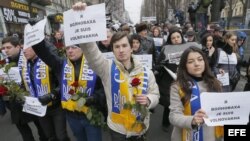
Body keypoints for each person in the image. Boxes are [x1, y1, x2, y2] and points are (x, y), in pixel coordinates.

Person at [73, 3, 159, 140]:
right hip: (118, 131)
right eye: (117, 46)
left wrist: (149, 99)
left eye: (124, 45)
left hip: (140, 129)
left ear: (132, 48)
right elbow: (91, 53)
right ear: (112, 50)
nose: (121, 50)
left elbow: (155, 94)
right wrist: (81, 18)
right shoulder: (106, 68)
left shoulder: (146, 71)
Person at [31, 40, 107, 141]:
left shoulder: (95, 64)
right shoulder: (61, 64)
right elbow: (45, 54)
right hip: (72, 115)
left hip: (91, 114)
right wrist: (36, 38)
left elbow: (104, 89)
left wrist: (94, 98)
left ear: (83, 48)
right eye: (67, 48)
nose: (70, 51)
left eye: (74, 47)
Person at [169, 46, 224, 141]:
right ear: (184, 65)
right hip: (186, 136)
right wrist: (192, 120)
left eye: (200, 59)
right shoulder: (177, 86)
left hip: (210, 135)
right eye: (190, 62)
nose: (197, 64)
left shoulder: (216, 83)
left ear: (205, 62)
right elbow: (174, 116)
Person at [1, 36, 47, 141]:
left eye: (8, 47)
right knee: (23, 129)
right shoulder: (5, 62)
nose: (5, 50)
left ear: (18, 47)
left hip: (30, 97)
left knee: (40, 125)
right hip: (15, 101)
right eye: (4, 48)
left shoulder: (28, 58)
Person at [22, 47, 70, 141]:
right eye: (23, 49)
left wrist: (52, 95)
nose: (24, 51)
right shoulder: (25, 65)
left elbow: (64, 81)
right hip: (40, 108)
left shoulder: (49, 62)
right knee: (50, 136)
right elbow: (26, 85)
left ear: (36, 48)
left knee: (61, 136)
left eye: (27, 48)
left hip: (56, 107)